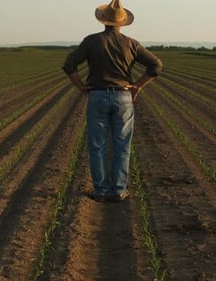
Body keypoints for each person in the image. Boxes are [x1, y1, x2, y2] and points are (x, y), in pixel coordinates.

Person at [62, 0, 162, 202]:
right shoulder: (131, 43)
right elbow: (156, 64)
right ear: (122, 22)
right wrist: (138, 85)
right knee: (122, 145)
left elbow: (69, 63)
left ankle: (100, 191)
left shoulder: (91, 41)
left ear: (103, 21)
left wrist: (81, 86)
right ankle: (118, 190)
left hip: (97, 96)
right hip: (123, 97)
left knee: (97, 145)